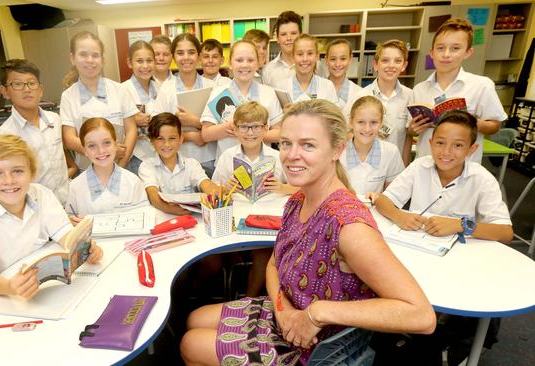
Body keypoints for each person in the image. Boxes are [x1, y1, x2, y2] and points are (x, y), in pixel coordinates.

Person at [180, 99, 436, 365]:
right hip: (287, 312)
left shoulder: (349, 226)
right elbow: (274, 263)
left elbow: (421, 316)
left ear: (337, 149)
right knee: (193, 318)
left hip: (315, 342)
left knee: (191, 344)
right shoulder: (297, 200)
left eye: (308, 145)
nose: (291, 155)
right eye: (286, 143)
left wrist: (316, 313)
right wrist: (284, 312)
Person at [0, 135, 103, 299]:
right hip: (2, 295)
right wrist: (10, 287)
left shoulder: (41, 194)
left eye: (17, 171)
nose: (9, 181)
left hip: (42, 289)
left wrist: (84, 247)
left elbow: (66, 236)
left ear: (31, 173)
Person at [375, 110, 513, 244]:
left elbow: (505, 232)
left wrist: (459, 225)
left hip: (461, 253)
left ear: (471, 150)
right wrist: (399, 216)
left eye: (458, 145)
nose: (446, 152)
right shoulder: (419, 167)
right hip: (417, 245)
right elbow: (383, 200)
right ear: (431, 143)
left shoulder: (482, 179)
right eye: (440, 143)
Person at [212, 101, 296, 298]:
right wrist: (226, 188)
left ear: (266, 128)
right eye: (244, 127)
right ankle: (229, 293)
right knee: (221, 252)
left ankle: (249, 298)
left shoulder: (278, 156)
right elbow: (215, 192)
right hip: (236, 217)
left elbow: (302, 190)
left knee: (263, 253)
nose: (250, 132)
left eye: (256, 126)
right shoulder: (227, 157)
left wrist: (283, 187)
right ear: (235, 129)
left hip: (268, 217)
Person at [409, 18, 506, 164]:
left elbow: (495, 125)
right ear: (432, 53)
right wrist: (413, 128)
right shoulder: (420, 89)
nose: (446, 54)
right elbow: (410, 131)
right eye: (440, 48)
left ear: (468, 52)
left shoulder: (481, 85)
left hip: (463, 169)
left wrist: (472, 122)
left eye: (455, 48)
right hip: (425, 165)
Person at [60, 31, 139, 170]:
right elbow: (69, 139)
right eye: (83, 54)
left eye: (95, 55)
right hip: (86, 170)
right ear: (72, 58)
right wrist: (108, 152)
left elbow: (131, 130)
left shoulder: (119, 90)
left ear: (102, 59)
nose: (90, 60)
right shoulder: (68, 96)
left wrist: (122, 163)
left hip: (120, 166)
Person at [0, 59, 70, 205]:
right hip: (37, 207)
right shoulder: (5, 135)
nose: (27, 89)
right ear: (5, 91)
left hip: (67, 201)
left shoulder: (54, 120)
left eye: (31, 83)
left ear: (40, 90)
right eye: (17, 84)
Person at [201, 40, 283, 162]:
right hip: (228, 165)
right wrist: (231, 127)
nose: (245, 65)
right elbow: (206, 134)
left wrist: (251, 132)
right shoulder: (218, 93)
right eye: (239, 60)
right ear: (230, 63)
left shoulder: (268, 93)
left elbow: (279, 133)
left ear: (258, 63)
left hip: (263, 166)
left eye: (250, 60)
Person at [154, 32, 216, 177]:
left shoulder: (213, 87)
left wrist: (195, 122)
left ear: (199, 56)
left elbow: (224, 126)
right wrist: (191, 136)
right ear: (174, 57)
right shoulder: (166, 89)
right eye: (180, 53)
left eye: (191, 52)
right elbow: (157, 129)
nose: (186, 57)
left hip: (210, 159)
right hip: (177, 161)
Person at [342, 40, 413, 165]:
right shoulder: (361, 96)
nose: (391, 65)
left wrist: (404, 168)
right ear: (375, 65)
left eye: (397, 61)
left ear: (404, 65)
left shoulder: (410, 97)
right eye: (385, 60)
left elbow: (408, 137)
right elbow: (345, 131)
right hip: (366, 166)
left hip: (395, 167)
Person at [66, 117, 148, 221]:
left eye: (107, 143)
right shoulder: (75, 187)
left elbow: (145, 219)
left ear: (115, 144)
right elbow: (70, 219)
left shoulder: (133, 182)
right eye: (92, 146)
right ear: (84, 150)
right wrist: (71, 222)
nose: (101, 151)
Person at [139, 112, 218, 215]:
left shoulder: (191, 164)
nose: (166, 144)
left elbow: (206, 183)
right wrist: (169, 209)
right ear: (152, 141)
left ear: (181, 139)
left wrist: (216, 191)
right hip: (163, 219)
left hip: (191, 219)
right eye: (160, 139)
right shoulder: (146, 166)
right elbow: (153, 195)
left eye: (172, 138)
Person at [340, 96, 404, 196]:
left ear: (381, 123)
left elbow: (394, 195)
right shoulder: (336, 152)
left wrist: (380, 198)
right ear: (351, 122)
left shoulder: (391, 152)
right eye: (361, 122)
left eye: (373, 122)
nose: (367, 129)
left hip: (375, 211)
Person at [121, 40, 158, 174]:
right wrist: (132, 120)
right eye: (139, 61)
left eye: (149, 60)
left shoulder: (160, 88)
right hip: (135, 156)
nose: (145, 66)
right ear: (130, 63)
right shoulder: (122, 90)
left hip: (159, 153)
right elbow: (112, 123)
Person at [275, 34, 338, 105]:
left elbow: (334, 115)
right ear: (293, 57)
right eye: (300, 54)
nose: (305, 59)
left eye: (310, 53)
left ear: (317, 56)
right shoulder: (281, 88)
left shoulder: (327, 86)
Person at [262, 10, 301, 87]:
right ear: (277, 39)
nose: (289, 38)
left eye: (293, 33)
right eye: (283, 34)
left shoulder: (314, 66)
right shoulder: (268, 70)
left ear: (301, 36)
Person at [325, 39, 362, 109]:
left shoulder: (359, 93)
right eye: (333, 59)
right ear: (326, 60)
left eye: (343, 59)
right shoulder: (317, 89)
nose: (338, 64)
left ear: (350, 59)